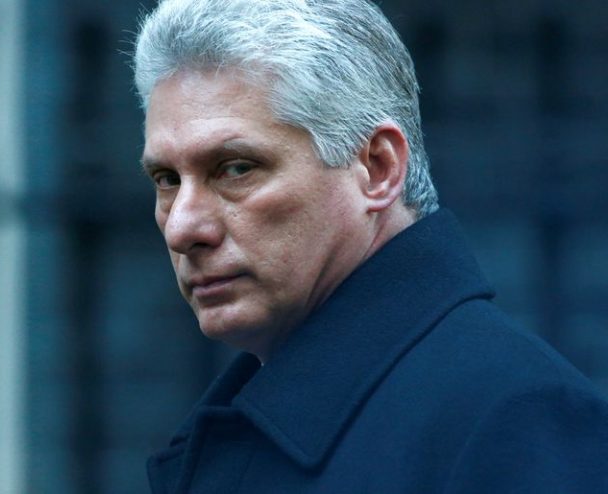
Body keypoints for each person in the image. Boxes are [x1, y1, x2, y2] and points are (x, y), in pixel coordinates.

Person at [132, 0, 608, 492]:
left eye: (236, 169)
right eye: (167, 179)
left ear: (377, 168)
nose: (181, 228)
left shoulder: (514, 419)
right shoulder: (255, 418)